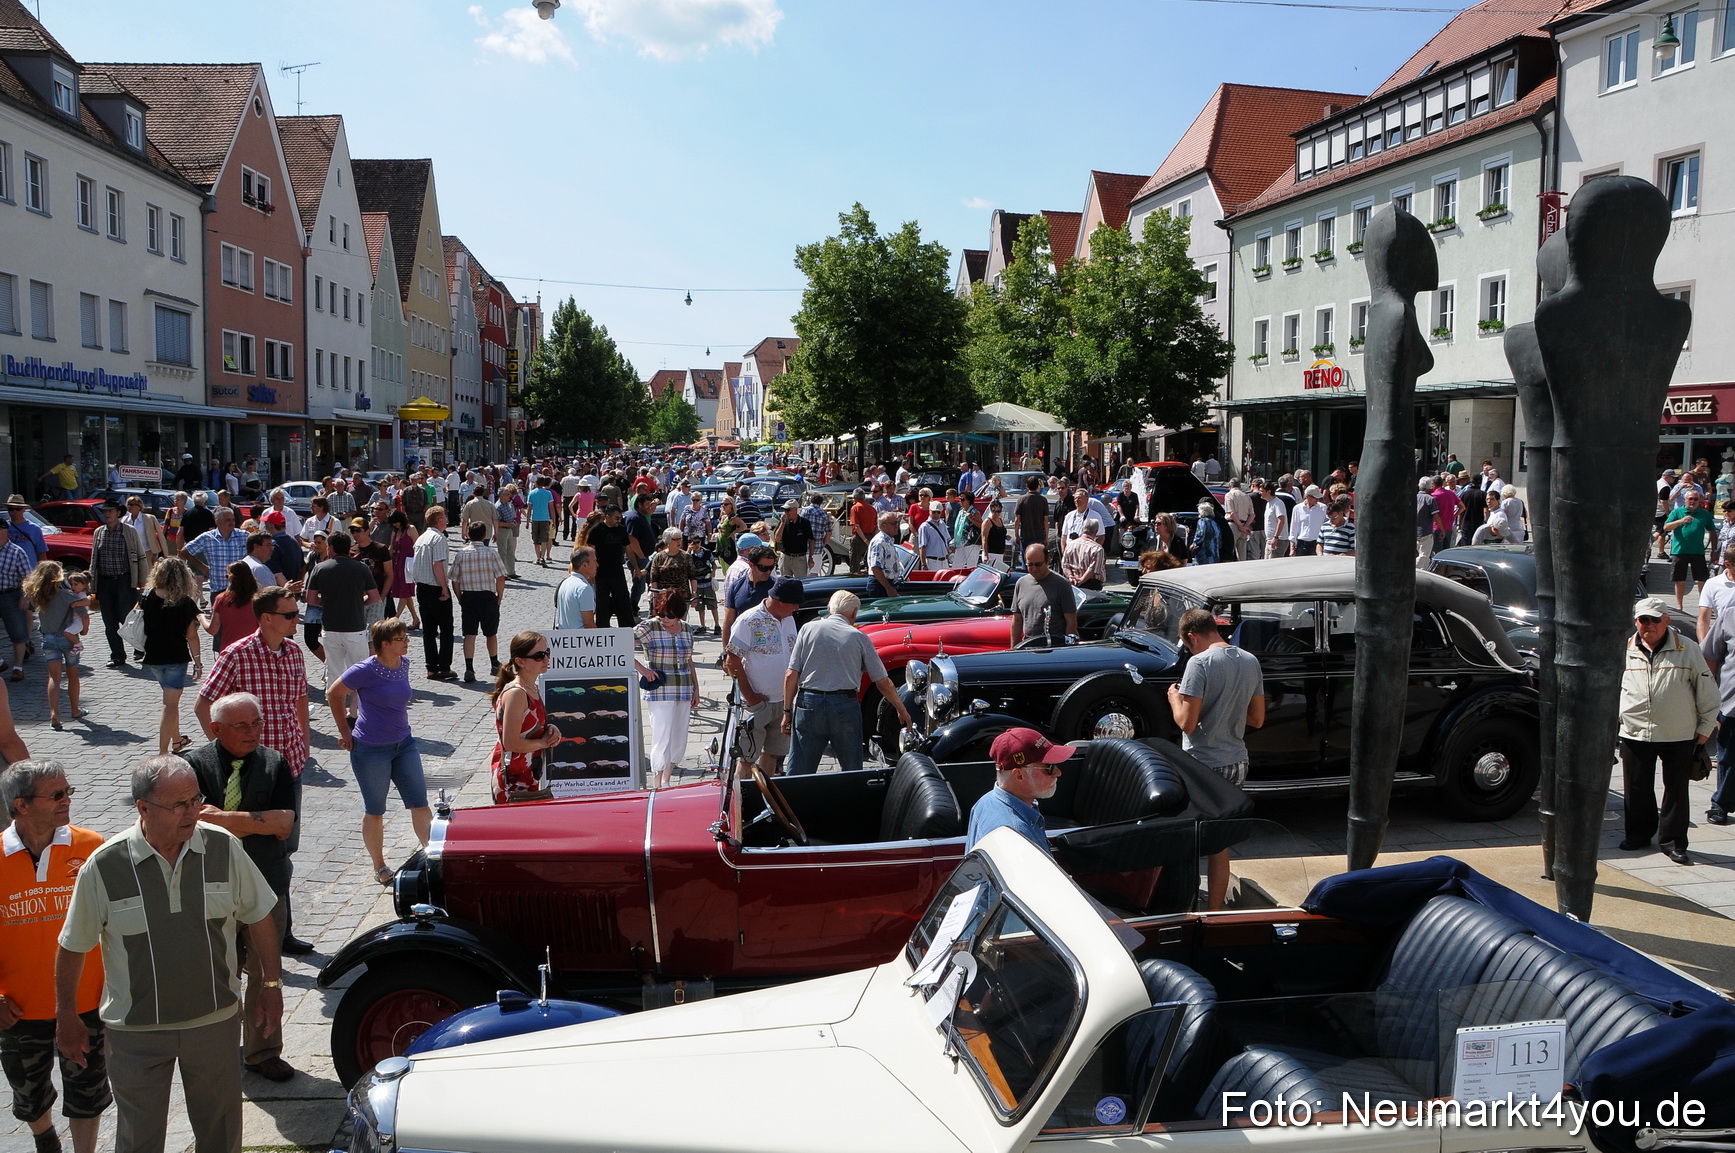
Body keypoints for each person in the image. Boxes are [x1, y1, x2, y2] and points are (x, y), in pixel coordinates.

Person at [55, 757, 281, 1153]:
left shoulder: (223, 847)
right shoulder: (105, 866)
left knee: (221, 1134)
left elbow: (260, 916)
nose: (191, 812)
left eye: (195, 800)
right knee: (138, 1140)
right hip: (135, 1032)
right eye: (178, 805)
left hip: (214, 1023)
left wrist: (273, 985)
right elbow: (73, 945)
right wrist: (67, 1015)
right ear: (142, 807)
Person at [178, 695, 300, 1084]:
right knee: (216, 972)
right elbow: (190, 824)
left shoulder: (274, 763)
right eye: (242, 726)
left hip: (266, 885)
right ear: (216, 729)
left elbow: (284, 824)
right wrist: (253, 822)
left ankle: (263, 1051)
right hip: (211, 888)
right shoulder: (193, 767)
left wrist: (223, 818)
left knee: (266, 973)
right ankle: (218, 1047)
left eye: (256, 723)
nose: (253, 732)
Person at [193, 585, 314, 957]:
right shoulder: (237, 654)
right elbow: (204, 705)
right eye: (291, 615)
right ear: (266, 618)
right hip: (248, 772)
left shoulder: (294, 651)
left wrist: (304, 744)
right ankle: (242, 935)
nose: (298, 620)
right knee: (245, 850)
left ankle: (281, 930)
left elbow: (300, 699)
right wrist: (225, 757)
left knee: (283, 851)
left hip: (287, 765)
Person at [1, 761, 110, 1153]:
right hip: (17, 1008)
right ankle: (44, 1137)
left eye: (69, 792)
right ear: (22, 805)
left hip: (85, 1004)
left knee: (88, 1090)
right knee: (27, 1091)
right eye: (57, 794)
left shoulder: (91, 847)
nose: (68, 800)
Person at [1166, 608, 1266, 909]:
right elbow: (1257, 719)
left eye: (1186, 644)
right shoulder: (1250, 660)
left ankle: (1185, 906)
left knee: (1190, 840)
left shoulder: (1199, 663)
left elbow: (1186, 722)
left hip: (1203, 764)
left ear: (1192, 636)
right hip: (1237, 761)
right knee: (1219, 845)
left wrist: (1174, 698)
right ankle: (1215, 913)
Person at [327, 619, 431, 886]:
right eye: (401, 638)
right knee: (375, 809)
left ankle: (435, 856)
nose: (407, 642)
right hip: (371, 749)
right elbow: (333, 693)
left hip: (404, 744)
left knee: (420, 802)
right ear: (385, 644)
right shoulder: (365, 670)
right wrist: (344, 731)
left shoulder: (404, 664)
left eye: (406, 637)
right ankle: (379, 865)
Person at [1618, 597, 1718, 865]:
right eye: (1642, 620)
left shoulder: (1688, 649)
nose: (1647, 625)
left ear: (1666, 621)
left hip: (1678, 732)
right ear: (1636, 621)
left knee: (1675, 790)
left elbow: (1708, 692)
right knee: (1636, 787)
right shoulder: (1625, 649)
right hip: (1635, 732)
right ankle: (1638, 835)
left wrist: (1706, 727)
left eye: (1654, 620)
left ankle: (1673, 842)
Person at [782, 590, 911, 776]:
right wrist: (901, 709)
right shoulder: (859, 637)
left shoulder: (807, 629)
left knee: (799, 769)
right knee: (851, 769)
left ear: (829, 609)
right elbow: (883, 682)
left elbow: (791, 674)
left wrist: (787, 711)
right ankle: (850, 801)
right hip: (844, 704)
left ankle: (790, 803)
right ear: (853, 613)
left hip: (809, 702)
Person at [724, 577, 801, 778]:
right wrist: (750, 697)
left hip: (783, 703)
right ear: (782, 602)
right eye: (795, 604)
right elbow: (731, 660)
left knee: (773, 755)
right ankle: (742, 801)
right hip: (756, 704)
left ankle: (765, 798)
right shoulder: (749, 620)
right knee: (746, 757)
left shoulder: (789, 620)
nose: (797, 608)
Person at [964, 727, 1075, 853]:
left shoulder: (985, 802)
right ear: (1019, 775)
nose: (1058, 773)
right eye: (1048, 767)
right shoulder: (1016, 835)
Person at [137, 558, 204, 756]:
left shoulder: (147, 595)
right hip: (176, 656)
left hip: (153, 656)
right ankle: (162, 752)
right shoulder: (185, 602)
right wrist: (198, 663)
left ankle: (177, 741)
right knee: (170, 704)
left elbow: (137, 617)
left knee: (170, 701)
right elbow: (192, 636)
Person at [634, 589, 700, 789]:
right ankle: (657, 781)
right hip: (660, 690)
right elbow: (621, 645)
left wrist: (696, 689)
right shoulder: (650, 626)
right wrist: (643, 669)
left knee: (679, 736)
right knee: (662, 735)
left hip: (683, 688)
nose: (665, 618)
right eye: (661, 613)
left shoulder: (687, 629)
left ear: (679, 614)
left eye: (670, 615)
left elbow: (689, 661)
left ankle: (666, 778)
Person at [489, 631, 563, 803]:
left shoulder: (531, 688)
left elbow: (528, 727)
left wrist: (550, 730)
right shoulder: (517, 693)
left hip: (527, 772)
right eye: (539, 656)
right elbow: (511, 742)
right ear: (520, 661)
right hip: (513, 779)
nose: (546, 659)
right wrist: (544, 742)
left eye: (547, 653)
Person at [305, 530, 378, 703]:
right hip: (355, 627)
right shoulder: (361, 568)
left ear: (331, 548)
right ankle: (358, 706)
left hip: (330, 628)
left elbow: (311, 599)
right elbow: (374, 597)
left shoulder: (320, 568)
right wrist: (360, 602)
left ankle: (336, 705)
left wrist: (328, 602)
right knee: (359, 669)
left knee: (334, 670)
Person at [88, 501, 149, 670]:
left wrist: (142, 581)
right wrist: (92, 586)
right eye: (105, 511)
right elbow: (94, 559)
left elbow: (141, 556)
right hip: (104, 583)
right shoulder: (99, 532)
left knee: (129, 619)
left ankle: (141, 648)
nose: (107, 514)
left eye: (111, 511)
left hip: (125, 581)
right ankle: (117, 656)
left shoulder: (129, 531)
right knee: (109, 622)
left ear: (118, 513)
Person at [449, 522, 508, 682]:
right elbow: (501, 577)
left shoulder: (461, 554)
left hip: (468, 596)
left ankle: (469, 668)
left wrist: (460, 597)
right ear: (484, 535)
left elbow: (454, 580)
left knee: (469, 633)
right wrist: (499, 597)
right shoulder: (491, 553)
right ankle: (494, 663)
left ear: (468, 534)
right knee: (491, 632)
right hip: (488, 597)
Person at [411, 507, 456, 680]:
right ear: (439, 520)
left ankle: (431, 667)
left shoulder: (422, 538)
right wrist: (444, 588)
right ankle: (444, 666)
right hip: (435, 588)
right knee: (446, 628)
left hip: (421, 587)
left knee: (428, 631)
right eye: (444, 516)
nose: (446, 519)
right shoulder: (439, 538)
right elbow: (437, 564)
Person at [1009, 543, 1076, 646]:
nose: (1034, 568)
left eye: (1038, 564)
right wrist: (1013, 649)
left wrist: (1067, 650)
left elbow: (1071, 621)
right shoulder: (1021, 583)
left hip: (1053, 648)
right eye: (1030, 565)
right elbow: (1017, 620)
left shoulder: (1062, 585)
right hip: (1028, 646)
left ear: (1047, 561)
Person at [586, 505, 640, 629]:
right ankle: (603, 630)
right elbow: (590, 551)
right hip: (601, 574)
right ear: (607, 516)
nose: (618, 520)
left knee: (623, 603)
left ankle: (627, 630)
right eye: (616, 518)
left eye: (620, 518)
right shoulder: (596, 530)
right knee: (602, 604)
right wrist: (590, 573)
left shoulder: (621, 530)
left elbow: (628, 549)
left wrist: (636, 567)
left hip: (617, 572)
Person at [1664, 489, 1715, 612]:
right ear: (1685, 500)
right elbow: (1666, 527)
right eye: (1690, 499)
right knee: (1679, 579)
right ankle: (1679, 606)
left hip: (1698, 551)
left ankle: (1704, 605)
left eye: (1695, 499)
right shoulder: (1677, 512)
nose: (1693, 501)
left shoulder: (1704, 513)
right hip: (1680, 551)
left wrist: (1714, 549)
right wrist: (1681, 521)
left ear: (1699, 501)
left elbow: (1712, 531)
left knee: (1702, 579)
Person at [182, 507, 248, 600]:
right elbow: (185, 551)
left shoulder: (244, 536)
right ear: (218, 521)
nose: (232, 522)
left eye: (233, 519)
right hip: (218, 589)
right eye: (228, 520)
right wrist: (202, 567)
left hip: (241, 588)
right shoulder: (207, 537)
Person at [0, 519, 32, 680]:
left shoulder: (17, 552)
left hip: (11, 595)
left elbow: (27, 578)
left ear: (6, 532)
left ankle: (18, 668)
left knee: (17, 633)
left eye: (1, 531)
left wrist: (25, 597)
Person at [350, 518, 394, 628]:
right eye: (352, 531)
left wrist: (382, 596)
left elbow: (389, 574)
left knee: (375, 633)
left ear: (367, 531)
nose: (355, 534)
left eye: (358, 530)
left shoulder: (381, 549)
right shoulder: (350, 551)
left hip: (376, 597)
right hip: (357, 599)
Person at [555, 546, 599, 630]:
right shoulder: (584, 588)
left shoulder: (565, 583)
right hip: (580, 639)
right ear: (585, 565)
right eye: (595, 561)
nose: (597, 565)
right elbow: (589, 624)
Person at [864, 512, 903, 601]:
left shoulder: (889, 540)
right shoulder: (879, 542)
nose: (896, 525)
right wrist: (889, 588)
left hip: (886, 583)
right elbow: (876, 567)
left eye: (897, 522)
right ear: (883, 526)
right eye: (893, 523)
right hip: (880, 586)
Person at [773, 499, 813, 578]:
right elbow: (777, 539)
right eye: (785, 510)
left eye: (788, 510)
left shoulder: (804, 522)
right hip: (785, 557)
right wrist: (782, 523)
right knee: (785, 583)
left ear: (795, 510)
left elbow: (811, 540)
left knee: (802, 582)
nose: (786, 513)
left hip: (799, 558)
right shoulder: (783, 522)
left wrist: (811, 557)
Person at [1062, 519, 1106, 590]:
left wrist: (1070, 577)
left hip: (1073, 583)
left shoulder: (1070, 544)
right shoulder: (1097, 549)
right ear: (1096, 531)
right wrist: (1081, 580)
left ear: (1083, 529)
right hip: (1092, 585)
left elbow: (1065, 565)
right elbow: (1093, 570)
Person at [1014, 475, 1050, 557]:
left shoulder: (1021, 499)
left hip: (1025, 535)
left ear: (1027, 486)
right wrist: (1046, 537)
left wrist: (1017, 535)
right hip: (1039, 536)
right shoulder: (1043, 500)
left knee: (1026, 560)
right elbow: (1046, 520)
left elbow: (1017, 519)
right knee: (1038, 559)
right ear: (1038, 486)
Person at [526, 476, 557, 566]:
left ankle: (538, 558)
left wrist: (528, 521)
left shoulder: (532, 493)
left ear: (536, 483)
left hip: (535, 519)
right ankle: (543, 557)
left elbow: (529, 508)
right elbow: (551, 508)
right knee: (544, 539)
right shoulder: (548, 493)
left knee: (536, 540)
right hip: (545, 518)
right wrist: (554, 520)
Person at [1288, 486, 1326, 555]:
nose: (1318, 500)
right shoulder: (1297, 508)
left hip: (1317, 544)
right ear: (1308, 496)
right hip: (1301, 544)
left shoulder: (1323, 508)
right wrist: (1292, 548)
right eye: (1315, 498)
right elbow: (1293, 529)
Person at [1415, 478, 1440, 567]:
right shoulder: (1430, 499)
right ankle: (1416, 569)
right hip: (1426, 532)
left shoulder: (1414, 497)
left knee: (1419, 555)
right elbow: (1436, 516)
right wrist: (1442, 529)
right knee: (1424, 555)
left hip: (1414, 531)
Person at [1260, 481, 1289, 559]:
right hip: (1269, 540)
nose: (1260, 493)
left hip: (1279, 540)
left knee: (1274, 567)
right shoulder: (1268, 503)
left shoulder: (1278, 503)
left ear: (1268, 492)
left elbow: (1281, 521)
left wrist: (1275, 537)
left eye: (1262, 491)